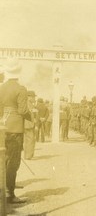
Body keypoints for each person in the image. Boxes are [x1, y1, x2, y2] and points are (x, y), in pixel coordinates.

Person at [0, 57, 30, 204]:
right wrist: (32, 118)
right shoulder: (20, 89)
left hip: (2, 128)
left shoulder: (0, 87)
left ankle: (4, 189)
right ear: (19, 72)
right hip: (15, 128)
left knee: (3, 160)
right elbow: (23, 110)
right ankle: (9, 194)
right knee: (13, 161)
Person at [24, 90, 37, 160]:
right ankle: (28, 155)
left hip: (26, 123)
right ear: (29, 97)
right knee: (30, 139)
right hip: (29, 123)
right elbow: (31, 113)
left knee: (27, 140)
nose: (34, 98)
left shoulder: (27, 103)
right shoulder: (29, 104)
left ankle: (27, 155)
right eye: (33, 97)